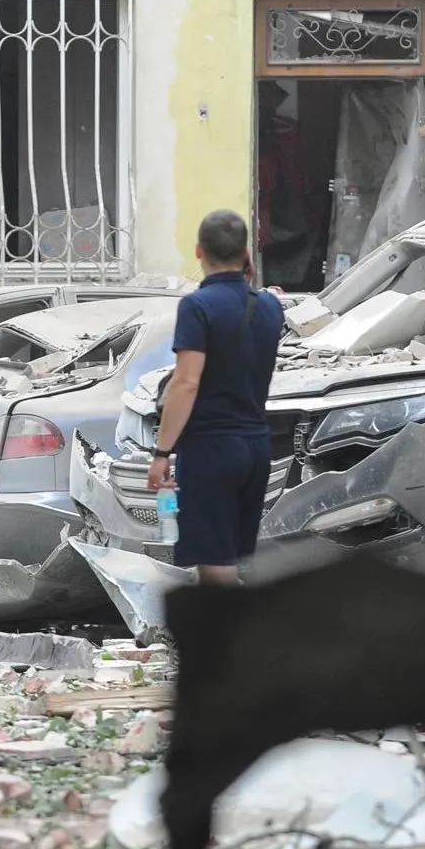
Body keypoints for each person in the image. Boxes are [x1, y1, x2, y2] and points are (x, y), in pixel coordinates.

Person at [146, 210, 284, 585]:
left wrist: (161, 453)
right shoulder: (270, 306)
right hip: (256, 446)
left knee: (215, 566)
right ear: (245, 253)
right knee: (235, 560)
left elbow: (187, 383)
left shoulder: (198, 306)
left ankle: (226, 641)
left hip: (212, 448)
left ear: (198, 251)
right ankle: (241, 639)